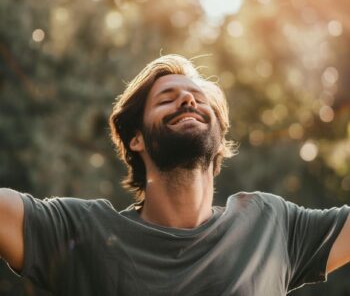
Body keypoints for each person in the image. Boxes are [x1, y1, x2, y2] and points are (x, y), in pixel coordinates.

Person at [1, 54, 350, 296]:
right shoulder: (80, 231)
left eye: (199, 98)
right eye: (167, 98)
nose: (187, 99)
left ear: (219, 137)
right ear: (135, 138)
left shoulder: (272, 224)